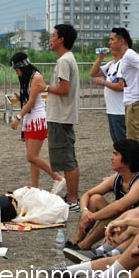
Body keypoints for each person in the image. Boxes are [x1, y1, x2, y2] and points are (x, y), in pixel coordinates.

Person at [50, 140, 139, 278]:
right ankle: (88, 253)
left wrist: (116, 222)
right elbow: (136, 211)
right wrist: (101, 217)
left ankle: (97, 259)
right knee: (102, 203)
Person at [64, 139, 139, 253]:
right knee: (95, 199)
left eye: (116, 154)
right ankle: (76, 240)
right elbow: (87, 194)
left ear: (127, 160)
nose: (111, 157)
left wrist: (92, 217)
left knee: (113, 213)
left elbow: (119, 207)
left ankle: (84, 245)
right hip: (121, 222)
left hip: (136, 226)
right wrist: (84, 211)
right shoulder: (117, 178)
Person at [37, 24, 81, 211]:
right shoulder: (67, 59)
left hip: (61, 117)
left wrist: (45, 87)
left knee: (67, 160)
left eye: (54, 35)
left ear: (61, 39)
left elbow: (63, 90)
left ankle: (72, 200)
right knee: (67, 158)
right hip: (62, 116)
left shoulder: (64, 61)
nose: (51, 39)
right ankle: (72, 197)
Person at [9, 51, 66, 193]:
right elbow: (28, 99)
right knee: (32, 158)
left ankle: (58, 178)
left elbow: (32, 102)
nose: (16, 73)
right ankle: (34, 187)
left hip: (37, 119)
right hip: (29, 119)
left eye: (17, 70)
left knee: (32, 156)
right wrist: (17, 97)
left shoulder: (36, 77)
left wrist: (18, 117)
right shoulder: (27, 78)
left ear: (22, 67)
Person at [110, 28, 139, 175]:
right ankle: (137, 172)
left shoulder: (129, 55)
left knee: (137, 139)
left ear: (121, 41)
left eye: (112, 39)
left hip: (136, 101)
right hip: (131, 101)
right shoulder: (125, 57)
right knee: (132, 138)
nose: (109, 42)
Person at [89, 44, 125, 143]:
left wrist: (103, 82)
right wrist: (100, 58)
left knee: (122, 140)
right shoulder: (111, 64)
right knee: (116, 140)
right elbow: (93, 73)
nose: (110, 46)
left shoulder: (123, 64)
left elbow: (120, 86)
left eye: (113, 42)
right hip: (111, 110)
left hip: (120, 111)